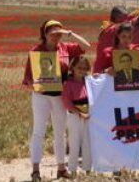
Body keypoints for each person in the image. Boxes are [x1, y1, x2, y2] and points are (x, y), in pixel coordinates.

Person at [22, 20, 90, 182]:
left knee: (60, 132)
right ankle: (36, 170)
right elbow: (27, 80)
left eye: (58, 33)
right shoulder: (36, 51)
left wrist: (70, 33)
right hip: (41, 96)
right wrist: (37, 86)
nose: (55, 36)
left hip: (60, 96)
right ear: (44, 34)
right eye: (51, 33)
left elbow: (86, 46)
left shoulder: (65, 48)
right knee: (39, 131)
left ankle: (61, 168)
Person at [60, 55, 92, 178]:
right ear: (72, 68)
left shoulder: (88, 82)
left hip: (87, 116)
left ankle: (88, 170)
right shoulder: (68, 84)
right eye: (79, 67)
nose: (82, 70)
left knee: (87, 143)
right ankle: (72, 170)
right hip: (74, 116)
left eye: (84, 68)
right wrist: (79, 113)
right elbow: (66, 102)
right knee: (74, 143)